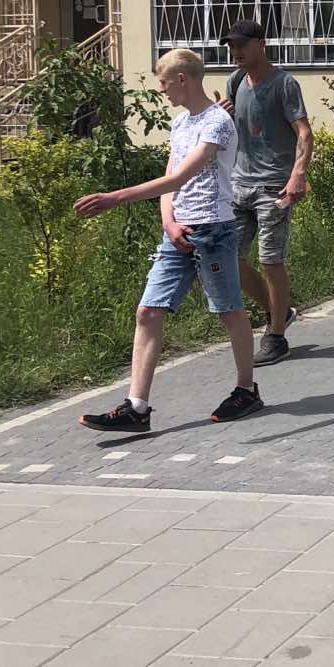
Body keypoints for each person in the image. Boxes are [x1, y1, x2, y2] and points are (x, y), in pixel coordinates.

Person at [74, 48, 263, 431]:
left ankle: (247, 390)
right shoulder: (180, 123)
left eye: (163, 82)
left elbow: (181, 177)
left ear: (182, 79)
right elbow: (170, 178)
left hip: (214, 230)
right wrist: (169, 223)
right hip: (177, 233)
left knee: (229, 311)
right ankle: (137, 407)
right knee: (148, 311)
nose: (161, 90)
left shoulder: (217, 123)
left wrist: (115, 198)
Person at [218, 19, 312, 367]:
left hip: (274, 186)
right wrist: (221, 115)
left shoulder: (284, 84)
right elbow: (229, 130)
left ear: (261, 44)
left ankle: (276, 336)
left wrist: (298, 175)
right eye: (232, 46)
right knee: (229, 257)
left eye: (242, 44)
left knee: (270, 260)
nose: (236, 51)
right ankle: (279, 312)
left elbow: (304, 133)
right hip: (238, 184)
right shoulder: (235, 81)